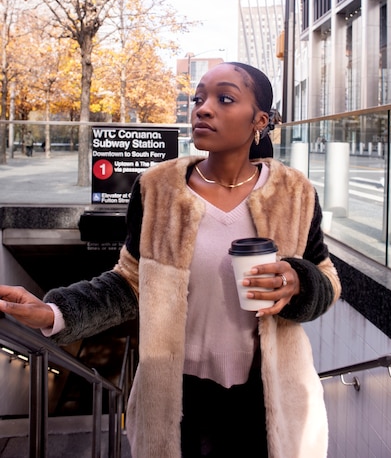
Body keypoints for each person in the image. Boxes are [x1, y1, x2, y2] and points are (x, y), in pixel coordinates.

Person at [0, 62, 341, 458]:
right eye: (198, 98)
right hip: (178, 398)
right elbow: (129, 283)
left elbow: (326, 277)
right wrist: (56, 312)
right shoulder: (157, 189)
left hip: (268, 399)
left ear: (259, 120)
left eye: (224, 98)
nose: (203, 108)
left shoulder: (295, 192)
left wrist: (300, 283)